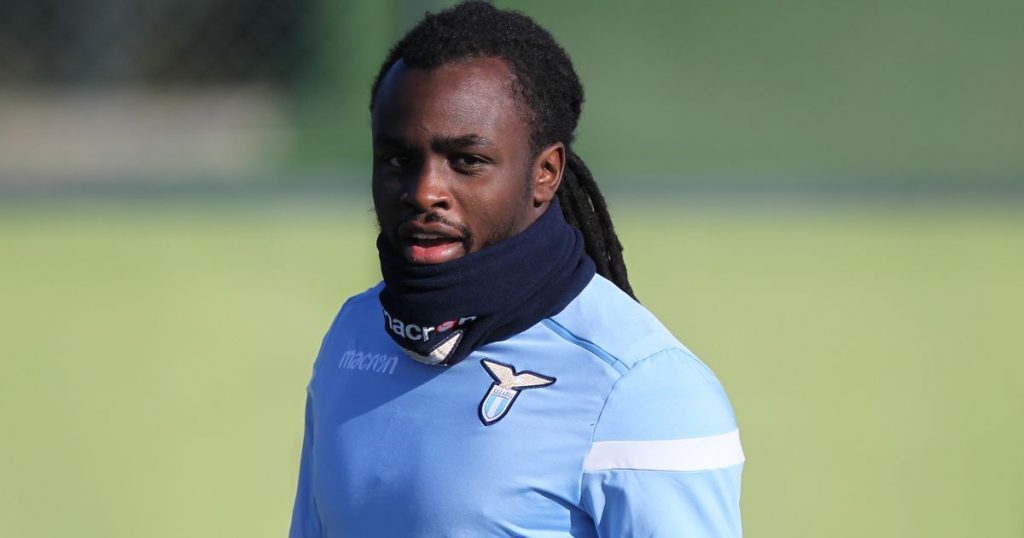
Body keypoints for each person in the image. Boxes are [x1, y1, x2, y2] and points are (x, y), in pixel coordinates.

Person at [289, 2, 743, 536]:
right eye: (396, 160)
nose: (424, 192)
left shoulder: (643, 387)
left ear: (545, 173)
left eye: (467, 162)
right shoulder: (355, 331)